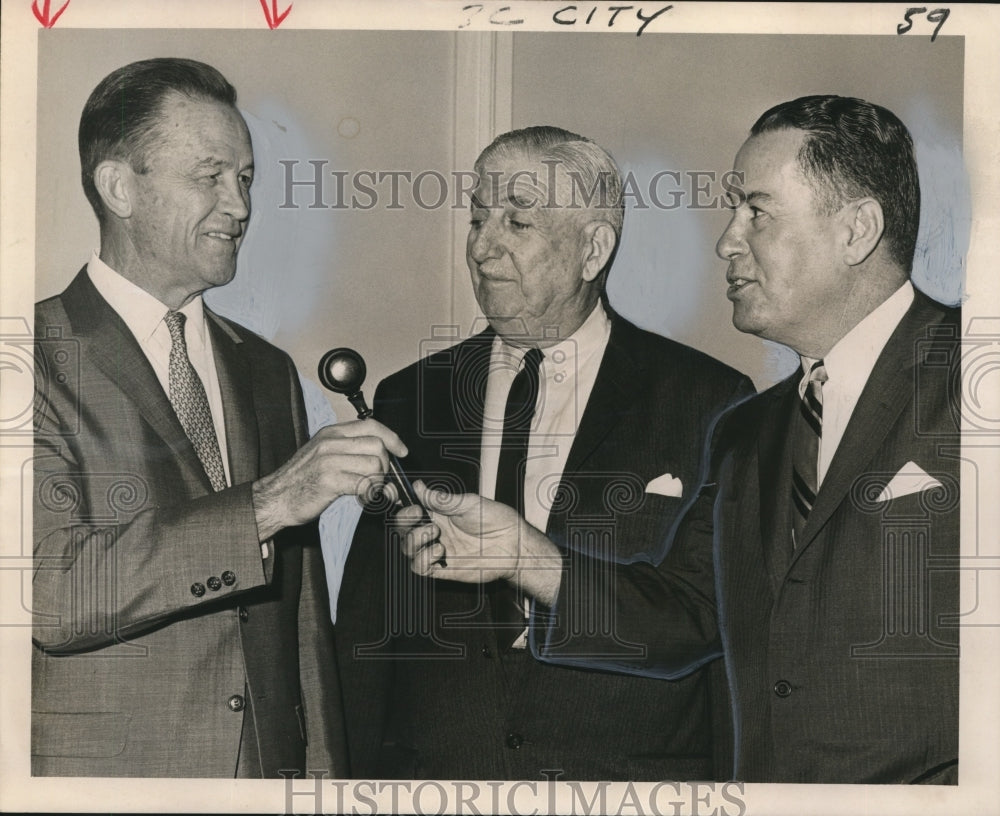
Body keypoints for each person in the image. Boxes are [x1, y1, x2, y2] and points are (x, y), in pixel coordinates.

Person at [400, 97, 961, 784]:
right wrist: (522, 553)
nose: (727, 239)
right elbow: (688, 619)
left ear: (856, 231)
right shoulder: (751, 430)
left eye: (756, 211)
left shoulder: (976, 378)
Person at [335, 126, 753, 780]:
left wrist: (531, 559)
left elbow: (706, 622)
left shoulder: (709, 400)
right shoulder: (408, 398)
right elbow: (368, 630)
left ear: (592, 249)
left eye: (517, 221)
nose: (481, 245)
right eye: (477, 219)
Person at [31, 57, 406, 778]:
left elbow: (300, 624)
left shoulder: (264, 369)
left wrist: (320, 777)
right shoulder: (32, 360)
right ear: (119, 188)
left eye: (245, 179)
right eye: (211, 177)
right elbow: (52, 595)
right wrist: (268, 503)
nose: (240, 206)